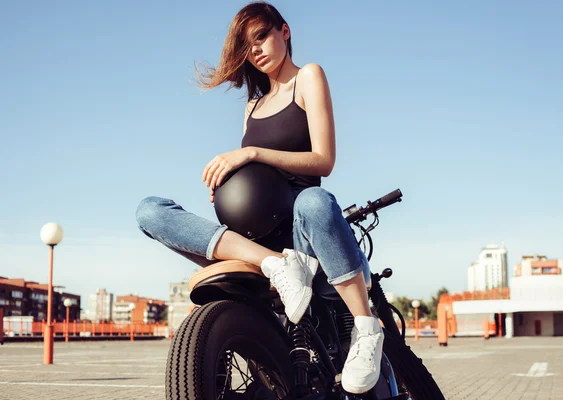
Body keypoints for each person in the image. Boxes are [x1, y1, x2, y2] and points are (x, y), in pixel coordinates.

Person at [135, 1, 383, 394]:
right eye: (247, 45)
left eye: (262, 36)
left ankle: (366, 328)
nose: (257, 50)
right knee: (149, 210)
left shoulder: (308, 77)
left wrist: (249, 154)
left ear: (284, 31)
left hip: (305, 234)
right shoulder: (252, 105)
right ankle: (273, 266)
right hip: (261, 249)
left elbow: (324, 160)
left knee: (314, 202)